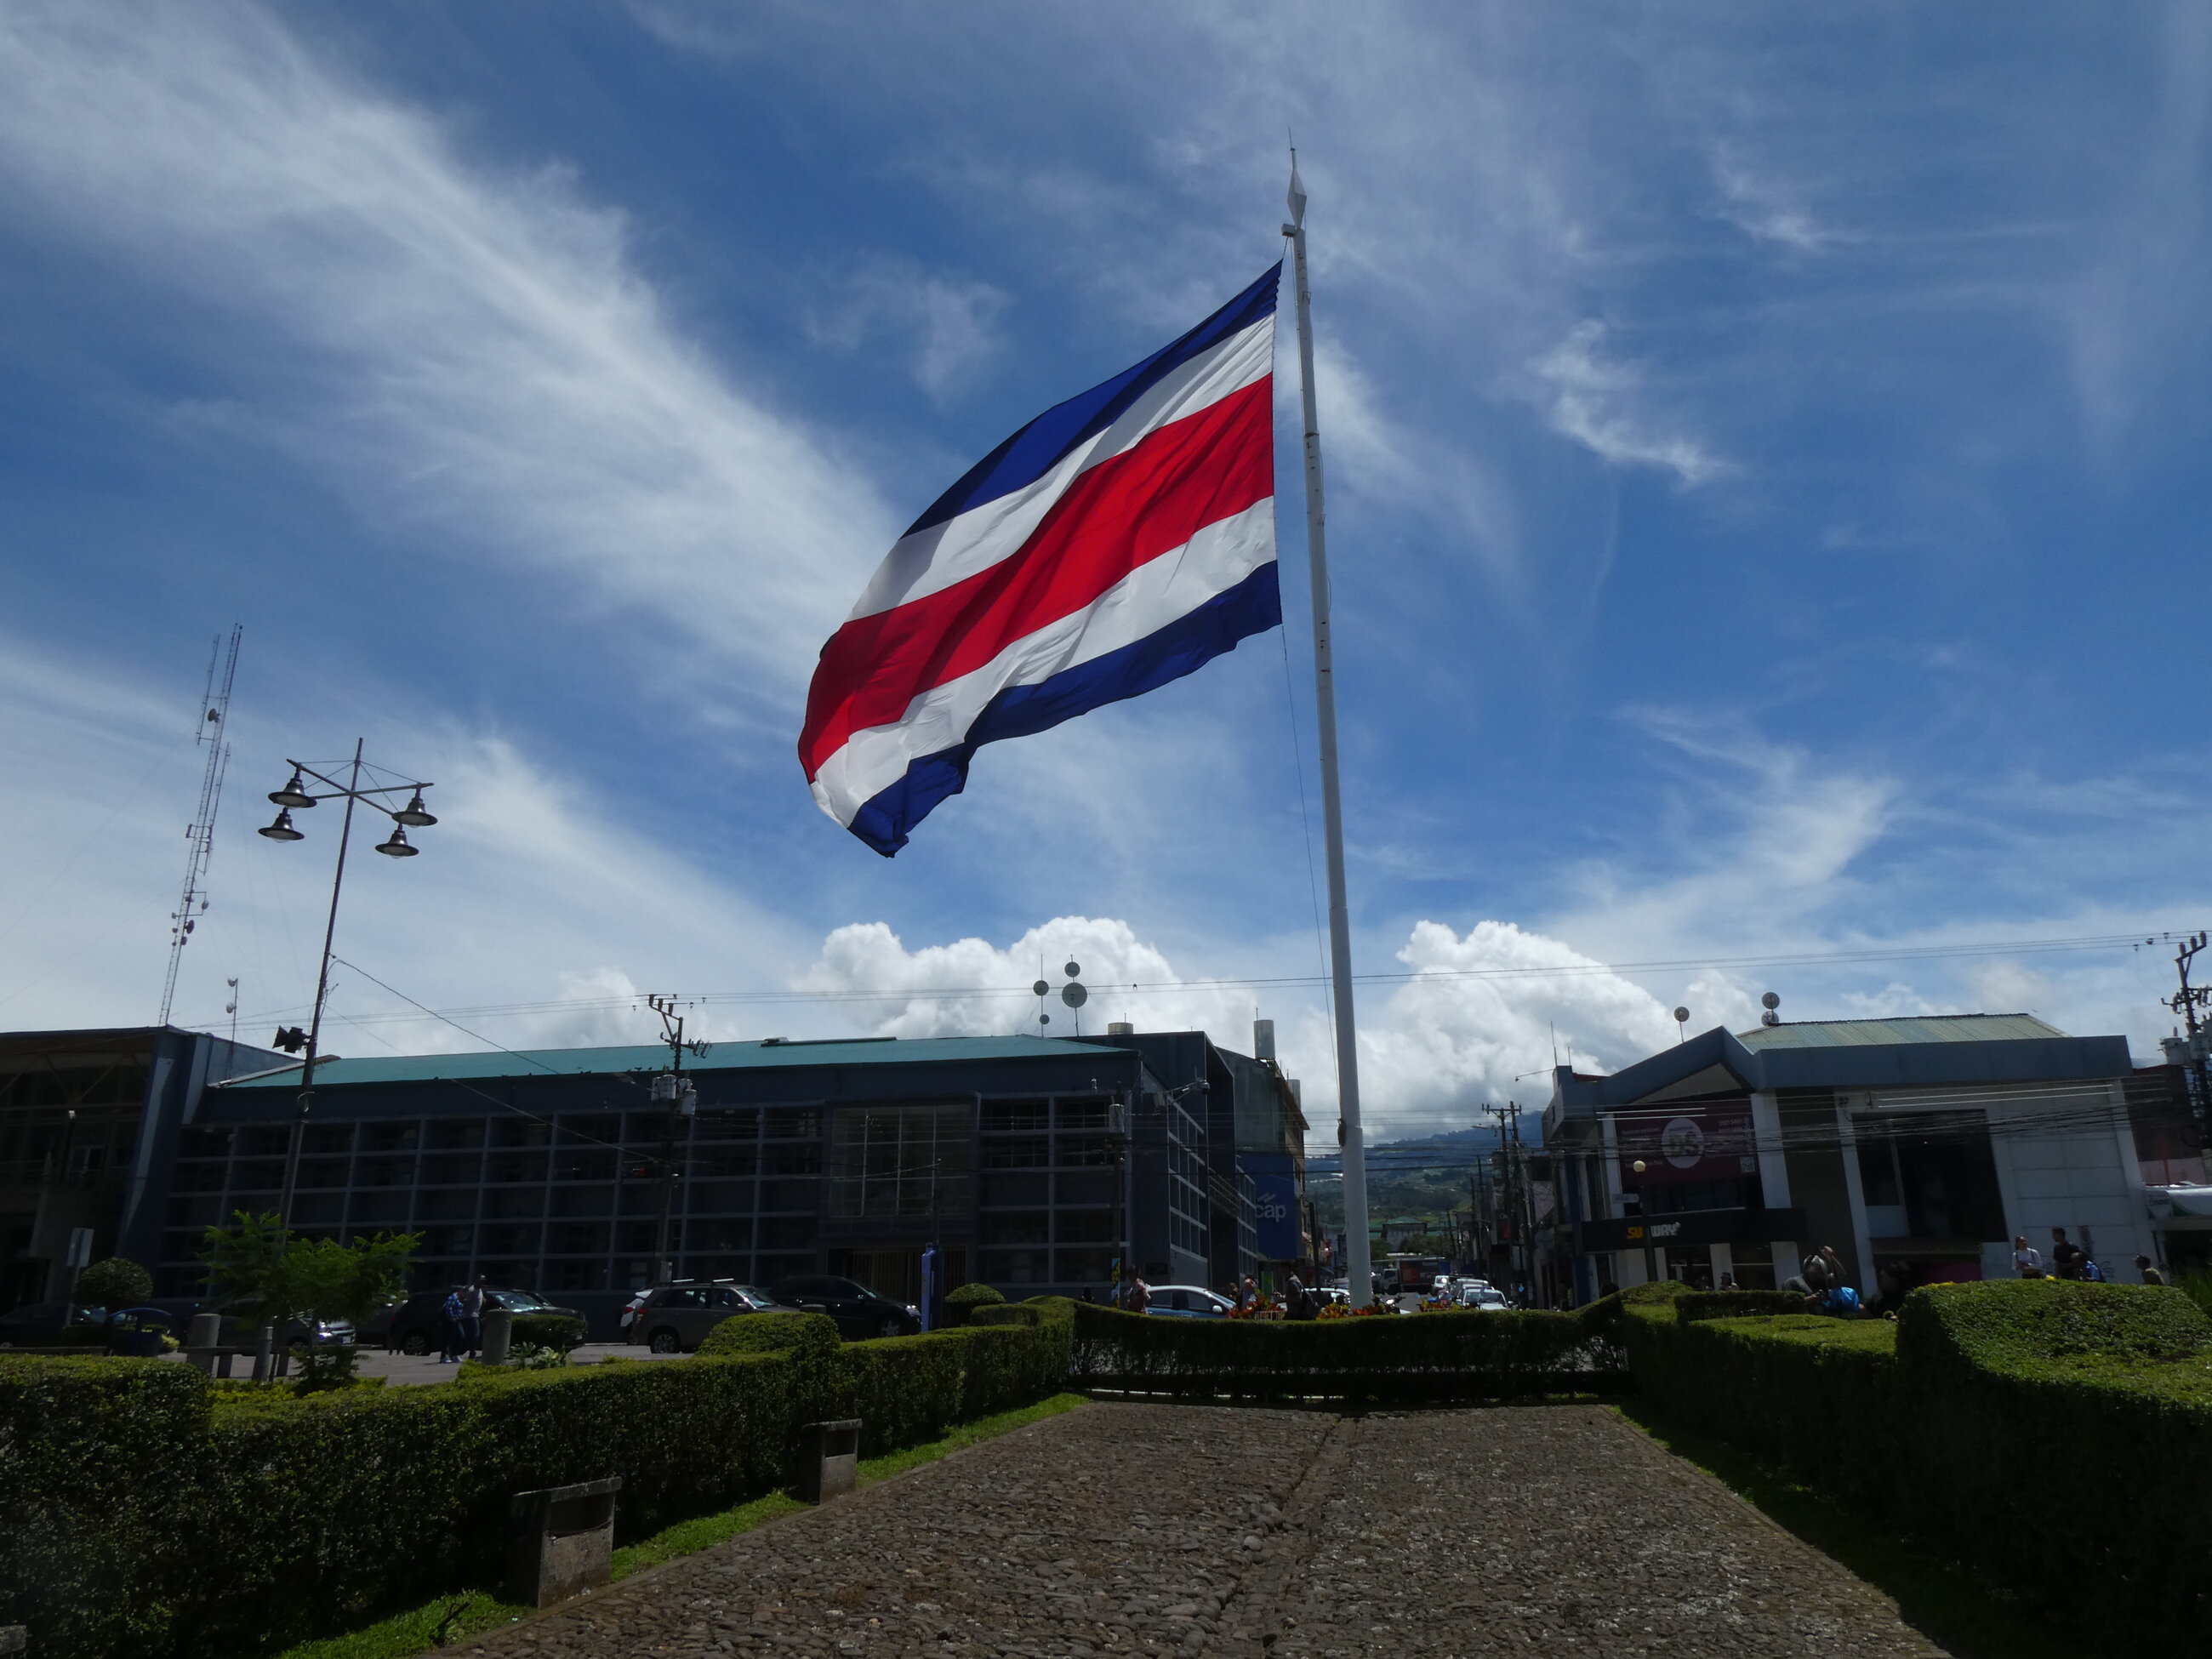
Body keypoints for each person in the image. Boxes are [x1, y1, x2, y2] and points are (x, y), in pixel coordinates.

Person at [458, 1275, 486, 1359]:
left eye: (483, 1281)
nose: (482, 1283)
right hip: (471, 1315)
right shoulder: (471, 1290)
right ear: (476, 1281)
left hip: (476, 1314)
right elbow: (466, 1301)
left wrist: (483, 1300)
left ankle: (464, 1350)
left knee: (472, 1335)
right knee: (475, 1334)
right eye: (480, 1281)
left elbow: (480, 1298)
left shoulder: (480, 1289)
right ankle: (471, 1353)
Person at [438, 1288, 466, 1365]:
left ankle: (454, 1355)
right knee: (447, 1338)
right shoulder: (453, 1297)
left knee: (460, 1336)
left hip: (457, 1320)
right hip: (451, 1320)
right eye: (464, 1292)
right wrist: (452, 1317)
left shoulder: (459, 1299)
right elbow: (448, 1308)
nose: (465, 1295)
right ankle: (443, 1357)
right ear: (460, 1291)